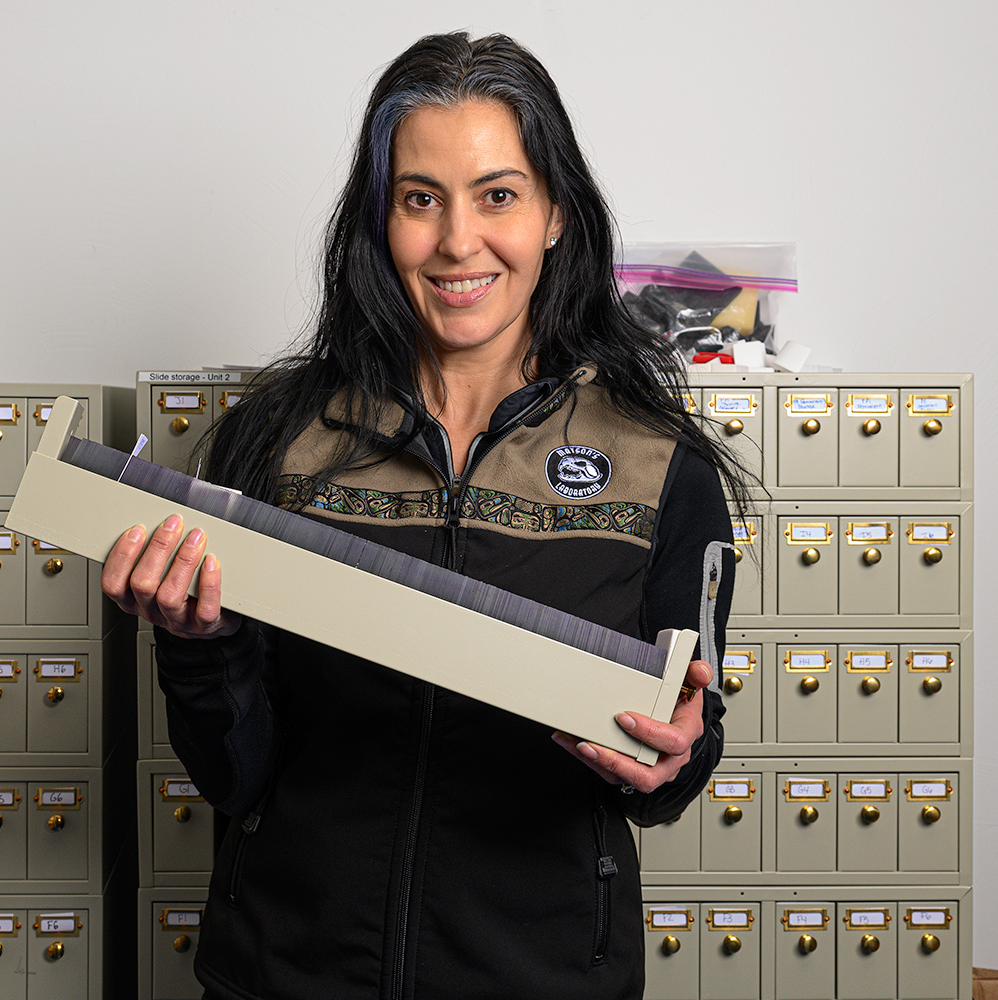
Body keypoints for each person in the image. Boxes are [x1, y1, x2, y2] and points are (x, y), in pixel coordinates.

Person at [102, 31, 748, 1000]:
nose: (456, 241)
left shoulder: (661, 466)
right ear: (378, 218)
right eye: (419, 199)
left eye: (498, 194)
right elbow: (238, 780)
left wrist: (675, 753)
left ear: (555, 214)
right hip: (286, 974)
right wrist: (197, 644)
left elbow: (675, 767)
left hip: (545, 977)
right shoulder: (277, 443)